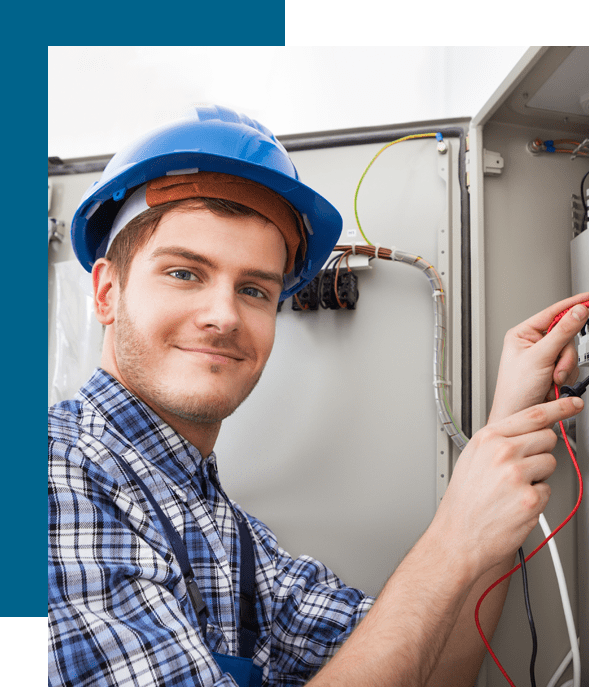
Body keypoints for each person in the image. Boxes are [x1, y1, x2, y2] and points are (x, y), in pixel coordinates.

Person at [48, 105, 588, 687]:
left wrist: (504, 438)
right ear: (106, 292)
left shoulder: (231, 536)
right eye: (184, 273)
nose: (224, 317)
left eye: (255, 289)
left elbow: (426, 668)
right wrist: (453, 538)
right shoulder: (52, 475)